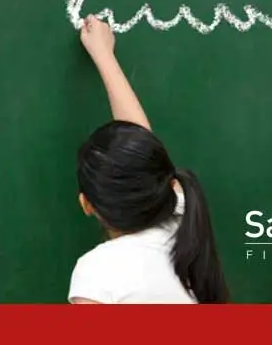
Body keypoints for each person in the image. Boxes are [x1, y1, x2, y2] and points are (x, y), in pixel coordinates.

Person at [68, 15, 229, 304]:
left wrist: (103, 54)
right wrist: (105, 55)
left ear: (86, 205)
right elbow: (141, 147)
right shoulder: (181, 221)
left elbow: (143, 149)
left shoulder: (98, 275)